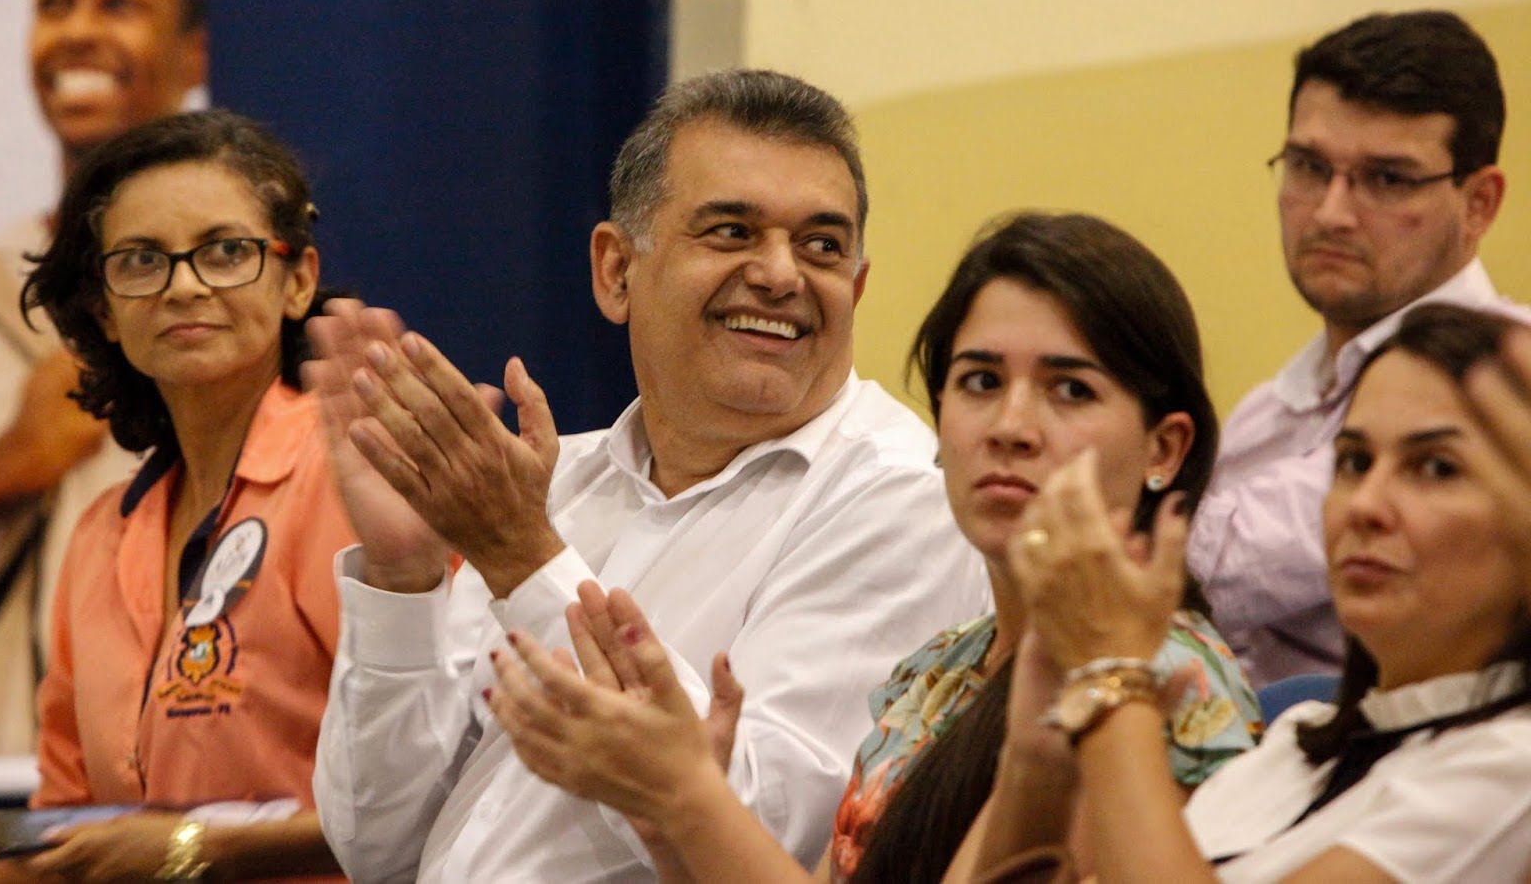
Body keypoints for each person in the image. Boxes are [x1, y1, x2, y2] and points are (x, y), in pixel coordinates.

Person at [308, 69, 990, 881]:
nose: (782, 274)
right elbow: (374, 844)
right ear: (616, 270)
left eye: (822, 246)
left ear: (857, 286)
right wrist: (404, 577)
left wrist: (524, 558)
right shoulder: (560, 482)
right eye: (732, 231)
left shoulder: (904, 497)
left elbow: (763, 835)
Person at [483, 212, 1262, 881]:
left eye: (1071, 390)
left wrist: (685, 794)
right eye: (981, 381)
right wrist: (668, 814)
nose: (1011, 427)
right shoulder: (938, 670)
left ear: (1165, 448)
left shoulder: (1164, 679)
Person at [952, 302, 1531, 881]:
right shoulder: (1296, 745)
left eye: (1436, 469)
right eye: (1354, 461)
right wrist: (1036, 761)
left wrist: (1111, 679)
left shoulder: (1509, 768)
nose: (1365, 504)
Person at [0, 110, 350, 881]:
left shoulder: (353, 479)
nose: (184, 285)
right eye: (142, 260)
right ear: (105, 309)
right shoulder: (103, 534)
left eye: (226, 251)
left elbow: (448, 791)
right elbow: (66, 826)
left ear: (298, 279)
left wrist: (192, 849)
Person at [0, 0, 207, 755]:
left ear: (194, 49)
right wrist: (4, 467)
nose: (79, 30)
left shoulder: (249, 303)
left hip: (204, 795)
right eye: (55, 2)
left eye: (119, 1)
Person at [1186, 10, 1531, 685]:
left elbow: (1198, 572)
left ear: (1479, 203)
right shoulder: (1261, 416)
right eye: (1309, 167)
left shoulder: (1510, 378)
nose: (1331, 213)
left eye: (1388, 179)